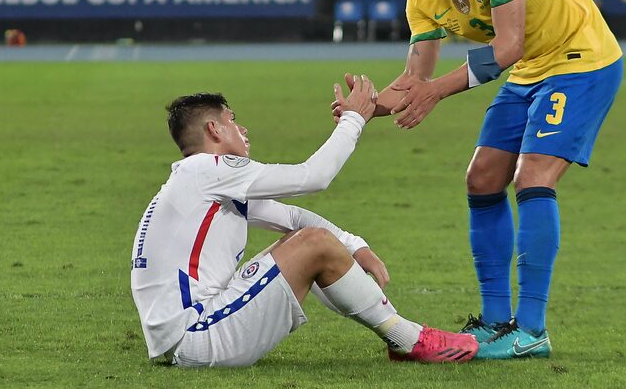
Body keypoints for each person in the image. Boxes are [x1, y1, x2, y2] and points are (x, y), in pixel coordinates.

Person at [333, 0, 623, 360]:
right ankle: (494, 323)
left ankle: (530, 332)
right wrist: (364, 108)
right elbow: (415, 79)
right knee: (482, 179)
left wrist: (437, 91)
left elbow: (507, 46)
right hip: (531, 69)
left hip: (580, 60)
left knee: (533, 177)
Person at [130, 84, 478, 368]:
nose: (243, 128)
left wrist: (353, 245)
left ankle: (402, 337)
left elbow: (292, 219)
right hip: (198, 336)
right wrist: (354, 120)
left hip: (181, 337)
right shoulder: (209, 169)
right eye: (234, 120)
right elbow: (314, 177)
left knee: (307, 240)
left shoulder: (198, 181)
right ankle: (409, 340)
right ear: (214, 129)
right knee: (314, 245)